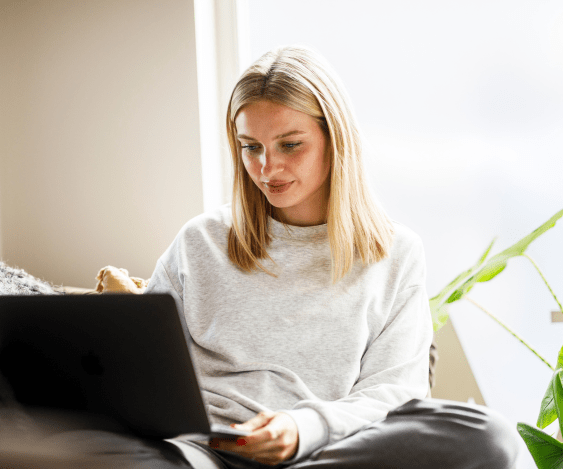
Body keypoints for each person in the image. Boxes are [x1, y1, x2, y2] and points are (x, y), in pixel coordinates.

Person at [21, 45, 519, 468]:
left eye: (290, 144)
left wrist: (302, 429)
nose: (267, 167)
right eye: (250, 146)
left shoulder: (396, 253)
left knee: (487, 436)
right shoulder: (200, 240)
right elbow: (145, 373)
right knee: (71, 445)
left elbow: (394, 393)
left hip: (322, 450)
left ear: (334, 139)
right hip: (201, 452)